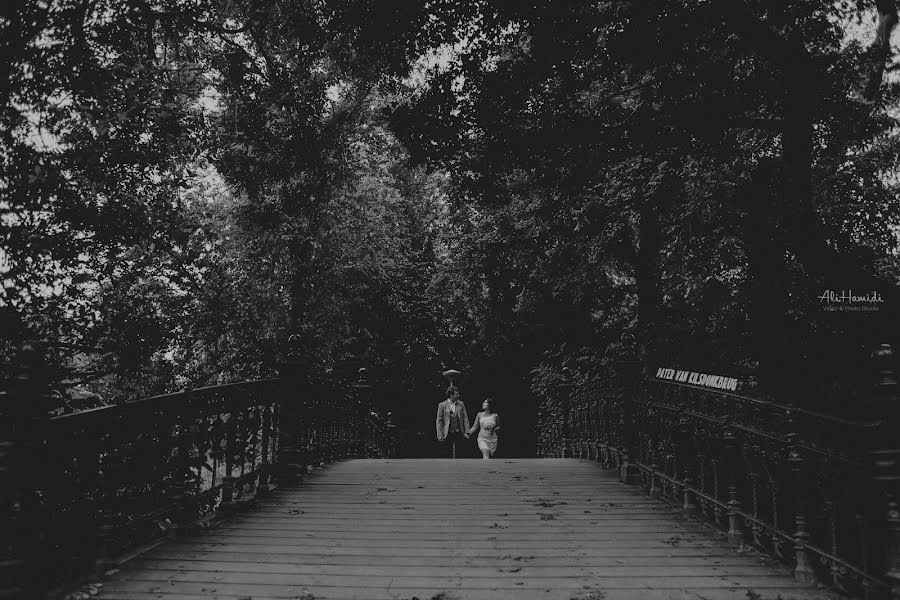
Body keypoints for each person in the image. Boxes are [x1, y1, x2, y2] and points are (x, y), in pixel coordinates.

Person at [436, 386, 470, 458]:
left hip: (459, 431)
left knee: (460, 452)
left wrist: (467, 432)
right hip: (447, 432)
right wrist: (439, 434)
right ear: (451, 395)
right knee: (447, 453)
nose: (458, 395)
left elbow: (465, 418)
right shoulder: (442, 405)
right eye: (456, 394)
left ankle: (461, 468)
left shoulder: (461, 403)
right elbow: (439, 420)